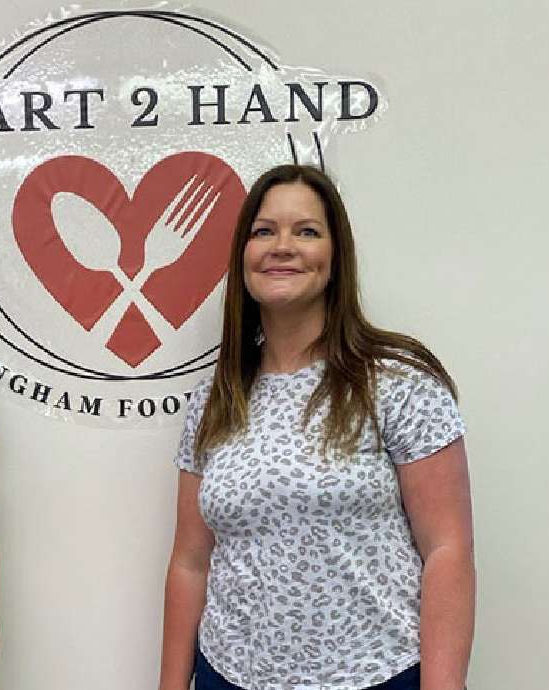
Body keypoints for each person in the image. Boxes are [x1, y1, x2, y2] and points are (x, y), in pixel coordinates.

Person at [158, 164, 474, 690]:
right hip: (230, 677)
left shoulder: (398, 381)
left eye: (306, 231)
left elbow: (448, 548)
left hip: (375, 675)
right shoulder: (215, 400)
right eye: (264, 231)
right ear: (243, 257)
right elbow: (190, 561)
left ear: (335, 257)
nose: (283, 246)